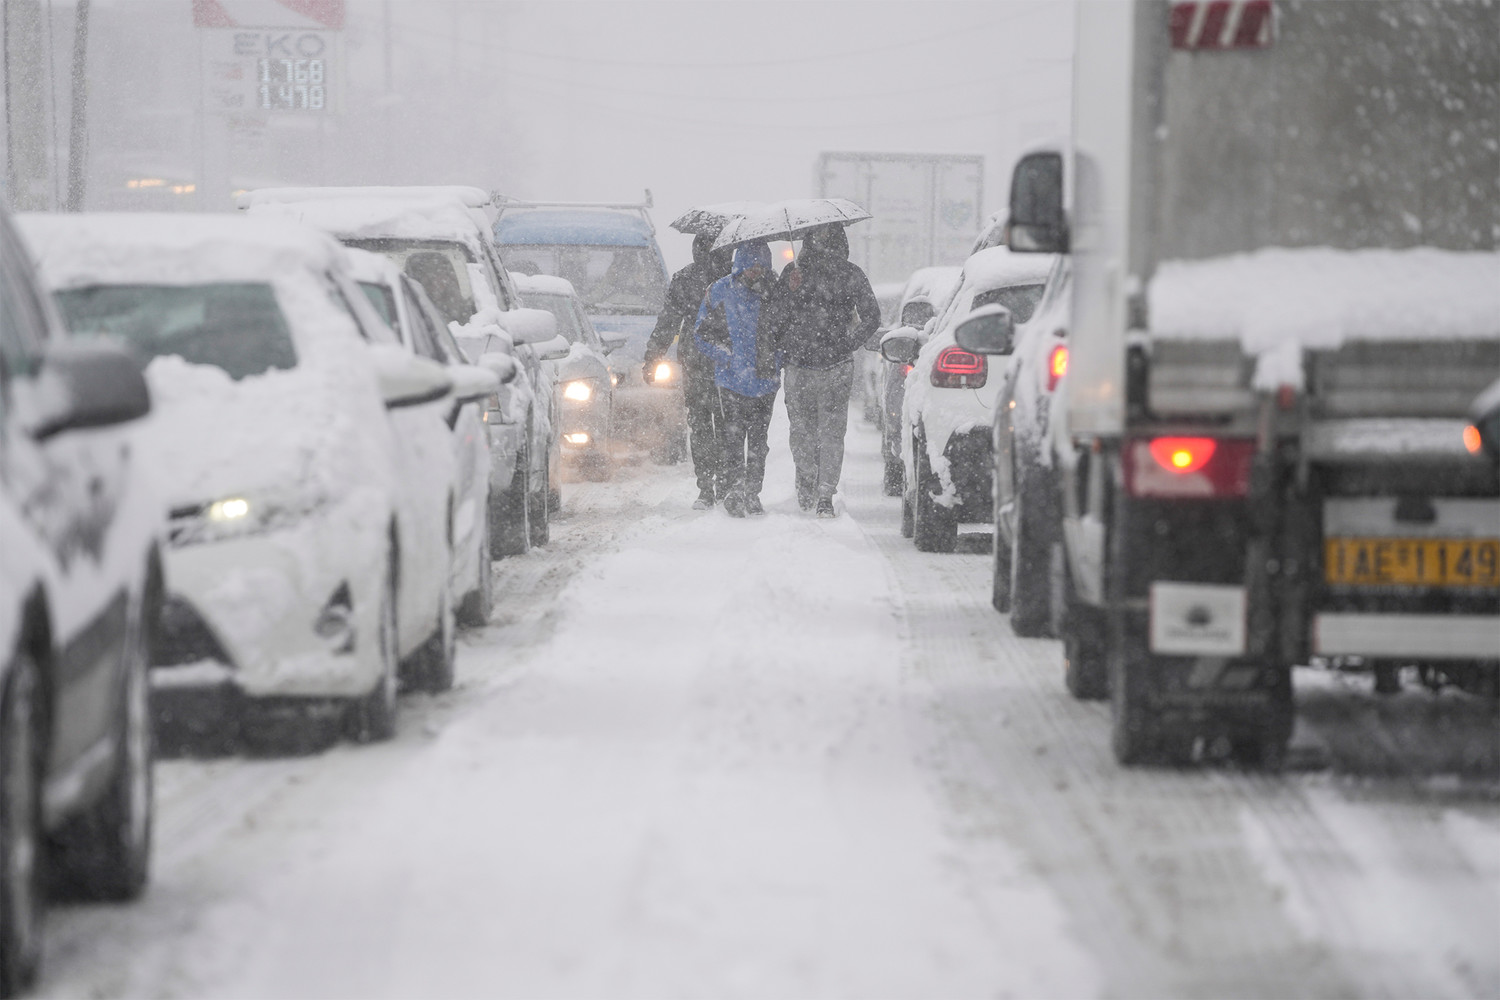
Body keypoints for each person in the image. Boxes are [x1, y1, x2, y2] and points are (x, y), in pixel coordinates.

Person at [774, 223, 881, 517]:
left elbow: (776, 318)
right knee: (831, 433)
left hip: (800, 365)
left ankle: (808, 484)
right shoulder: (850, 273)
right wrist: (849, 343)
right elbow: (872, 317)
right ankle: (824, 495)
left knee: (802, 432)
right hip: (836, 364)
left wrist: (785, 345)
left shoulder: (792, 273)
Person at [693, 240, 782, 518]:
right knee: (731, 439)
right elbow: (701, 333)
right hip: (731, 380)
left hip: (764, 381)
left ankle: (752, 493)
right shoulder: (720, 290)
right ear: (740, 264)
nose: (755, 271)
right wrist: (725, 356)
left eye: (760, 265)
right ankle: (734, 489)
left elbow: (788, 331)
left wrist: (776, 359)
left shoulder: (775, 293)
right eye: (750, 265)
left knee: (758, 441)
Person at [642, 234, 732, 510]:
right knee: (729, 424)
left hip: (696, 362)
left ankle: (706, 487)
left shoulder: (685, 278)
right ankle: (725, 484)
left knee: (702, 425)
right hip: (730, 361)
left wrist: (654, 356)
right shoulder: (733, 278)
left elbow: (668, 321)